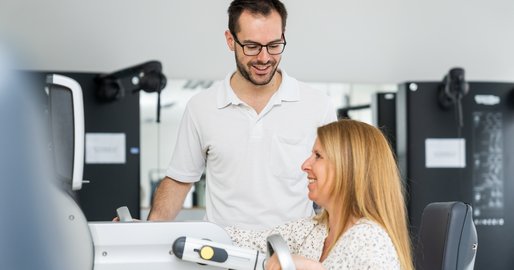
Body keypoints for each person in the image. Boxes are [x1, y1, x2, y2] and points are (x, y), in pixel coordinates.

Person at [148, 0, 336, 229]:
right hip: (223, 255)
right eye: (252, 46)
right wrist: (148, 231)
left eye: (274, 45)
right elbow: (179, 180)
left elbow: (334, 184)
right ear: (230, 40)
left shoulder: (318, 105)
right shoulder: (201, 107)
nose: (264, 58)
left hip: (292, 256)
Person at [226, 119, 414, 270]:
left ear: (348, 169)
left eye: (318, 156)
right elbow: (244, 241)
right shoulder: (314, 229)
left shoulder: (370, 242)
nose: (305, 165)